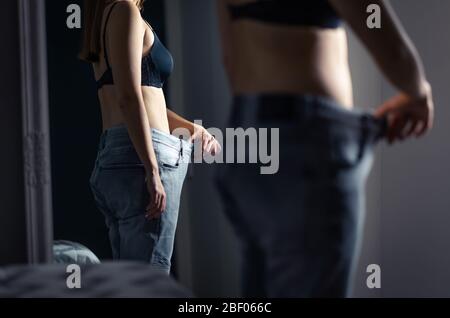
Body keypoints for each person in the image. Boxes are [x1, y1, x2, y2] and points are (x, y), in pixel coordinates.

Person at [216, 0, 433, 297]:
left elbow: (230, 59)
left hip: (244, 142)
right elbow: (392, 50)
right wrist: (419, 92)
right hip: (303, 150)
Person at [79, 0, 220, 273]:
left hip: (116, 155)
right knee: (149, 277)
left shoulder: (104, 21)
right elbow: (129, 99)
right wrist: (152, 169)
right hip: (140, 157)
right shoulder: (125, 12)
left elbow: (142, 99)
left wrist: (194, 129)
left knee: (130, 279)